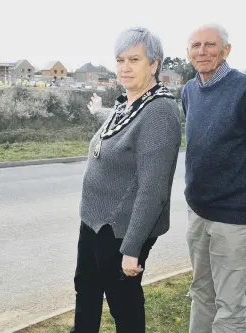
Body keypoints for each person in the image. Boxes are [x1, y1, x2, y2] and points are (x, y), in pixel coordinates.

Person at [70, 27, 182, 333]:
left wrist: (131, 249)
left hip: (121, 231)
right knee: (87, 288)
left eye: (134, 59)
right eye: (120, 59)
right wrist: (97, 111)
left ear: (154, 64)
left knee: (123, 303)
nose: (125, 67)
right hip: (94, 222)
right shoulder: (128, 104)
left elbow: (154, 188)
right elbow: (115, 121)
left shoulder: (160, 111)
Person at [182, 24, 246, 333]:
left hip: (233, 219)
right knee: (201, 294)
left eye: (210, 45)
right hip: (198, 213)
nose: (202, 51)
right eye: (196, 46)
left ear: (226, 50)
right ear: (188, 52)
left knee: (232, 306)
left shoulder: (243, 89)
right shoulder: (189, 90)